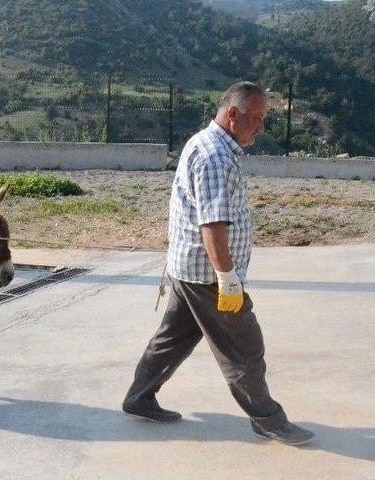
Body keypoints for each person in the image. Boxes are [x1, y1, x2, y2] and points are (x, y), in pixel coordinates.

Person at [122, 81, 315, 446]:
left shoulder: (208, 144)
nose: (260, 126)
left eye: (263, 118)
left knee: (172, 339)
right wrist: (227, 278)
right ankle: (268, 418)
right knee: (244, 347)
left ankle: (138, 398)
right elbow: (212, 224)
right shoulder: (215, 158)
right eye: (255, 118)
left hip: (188, 267)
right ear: (232, 115)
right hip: (209, 275)